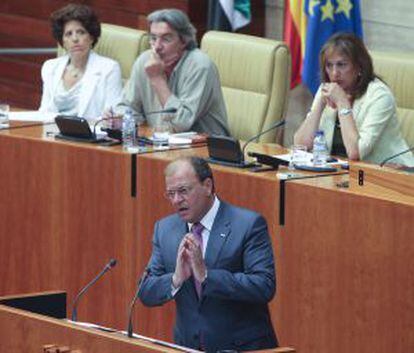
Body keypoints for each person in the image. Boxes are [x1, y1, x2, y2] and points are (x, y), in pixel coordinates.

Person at [138, 156, 278, 352]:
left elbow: (264, 286)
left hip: (241, 348)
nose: (177, 200)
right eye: (170, 194)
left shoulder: (247, 225)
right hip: (188, 347)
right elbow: (145, 291)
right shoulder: (165, 230)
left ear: (207, 186)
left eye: (183, 191)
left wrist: (206, 276)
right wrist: (176, 279)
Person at [294, 32, 414, 167]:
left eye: (342, 65)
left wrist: (343, 104)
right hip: (343, 174)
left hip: (391, 177)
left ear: (359, 66)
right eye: (329, 65)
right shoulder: (327, 91)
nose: (334, 73)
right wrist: (319, 107)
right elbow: (301, 145)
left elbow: (355, 152)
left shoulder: (379, 96)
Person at [115, 9, 230, 136]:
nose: (157, 46)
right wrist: (117, 117)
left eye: (166, 39)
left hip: (205, 149)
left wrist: (157, 80)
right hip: (160, 144)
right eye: (153, 38)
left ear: (184, 41)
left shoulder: (200, 66)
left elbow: (181, 123)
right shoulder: (144, 61)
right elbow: (127, 107)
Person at [39, 4, 123, 120]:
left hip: (90, 135)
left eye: (81, 32)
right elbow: (44, 112)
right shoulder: (50, 67)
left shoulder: (109, 69)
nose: (75, 39)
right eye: (68, 34)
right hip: (52, 135)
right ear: (62, 41)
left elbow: (113, 117)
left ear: (91, 37)